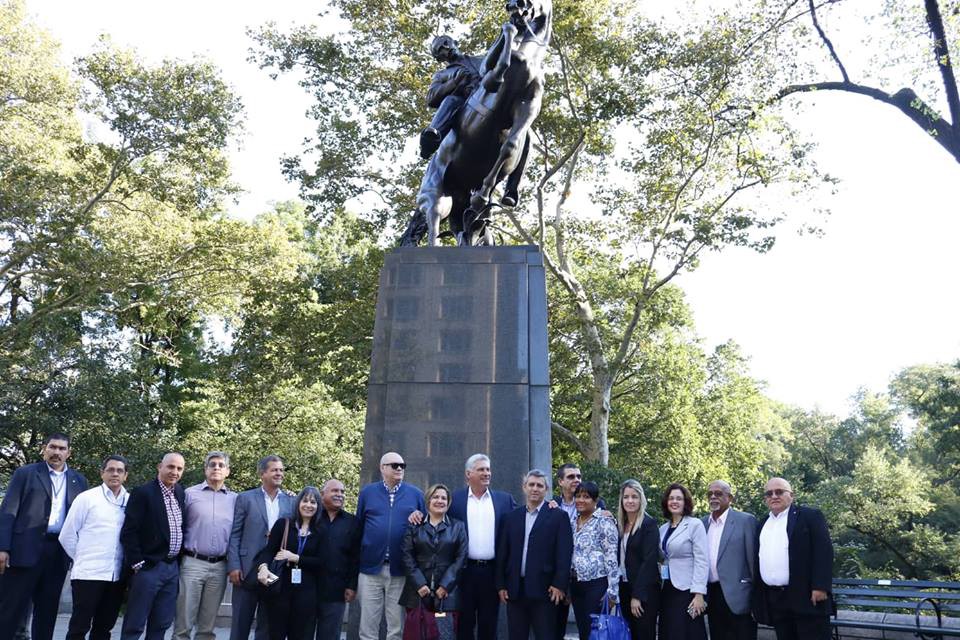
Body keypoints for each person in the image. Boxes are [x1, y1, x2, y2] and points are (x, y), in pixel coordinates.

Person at [418, 35, 527, 206]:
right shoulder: (442, 74)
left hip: (492, 99)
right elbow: (432, 98)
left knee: (525, 130)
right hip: (466, 104)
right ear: (440, 58)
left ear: (455, 42)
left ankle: (512, 189)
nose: (446, 48)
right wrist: (454, 82)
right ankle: (432, 137)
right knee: (450, 101)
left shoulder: (481, 59)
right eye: (441, 49)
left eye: (447, 43)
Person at [0, 433, 88, 640]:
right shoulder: (26, 473)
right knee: (10, 608)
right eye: (53, 447)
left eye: (62, 448)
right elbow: (8, 511)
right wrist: (3, 548)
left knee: (47, 610)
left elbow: (81, 521)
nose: (57, 452)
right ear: (44, 449)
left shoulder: (79, 481)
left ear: (69, 452)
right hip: (24, 550)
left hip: (58, 552)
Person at [58, 455, 130, 640]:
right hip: (88, 575)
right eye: (110, 470)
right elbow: (67, 535)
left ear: (125, 476)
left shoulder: (130, 501)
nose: (115, 474)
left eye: (119, 470)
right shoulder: (87, 498)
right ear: (102, 473)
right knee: (78, 628)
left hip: (115, 576)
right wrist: (81, 558)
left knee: (103, 629)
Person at [752, 477, 833, 640]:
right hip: (776, 599)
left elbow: (824, 551)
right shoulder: (762, 523)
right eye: (769, 493)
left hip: (807, 597)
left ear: (791, 495)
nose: (774, 496)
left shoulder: (810, 516)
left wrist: (820, 586)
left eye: (779, 492)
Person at [446, 454, 517, 640]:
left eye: (488, 469)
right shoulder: (454, 500)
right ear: (468, 474)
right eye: (481, 469)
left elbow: (524, 518)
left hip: (492, 573)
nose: (486, 473)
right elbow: (435, 517)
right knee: (464, 625)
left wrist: (549, 505)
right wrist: (415, 514)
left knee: (489, 625)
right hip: (463, 572)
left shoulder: (504, 500)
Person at [496, 469, 573, 640]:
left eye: (540, 485)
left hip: (546, 591)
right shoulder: (511, 517)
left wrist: (560, 584)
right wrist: (501, 584)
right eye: (531, 484)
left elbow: (564, 553)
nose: (535, 489)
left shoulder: (559, 517)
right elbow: (503, 553)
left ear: (546, 490)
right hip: (515, 590)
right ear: (524, 487)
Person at [356, 452, 425, 640]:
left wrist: (420, 518)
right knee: (367, 627)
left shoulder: (416, 495)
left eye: (403, 465)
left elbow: (425, 530)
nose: (400, 469)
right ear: (382, 468)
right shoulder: (367, 493)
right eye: (395, 465)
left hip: (400, 570)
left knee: (396, 628)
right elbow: (359, 527)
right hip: (370, 569)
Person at [119, 452, 187, 640]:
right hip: (149, 568)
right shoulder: (143, 493)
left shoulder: (180, 492)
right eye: (170, 467)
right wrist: (137, 564)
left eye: (179, 468)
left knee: (161, 623)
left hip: (171, 568)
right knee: (135, 624)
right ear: (160, 467)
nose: (174, 471)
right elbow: (129, 532)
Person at [228, 455, 295, 640]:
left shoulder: (291, 500)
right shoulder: (245, 498)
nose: (279, 473)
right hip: (246, 568)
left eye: (281, 470)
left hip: (274, 571)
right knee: (240, 625)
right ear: (262, 473)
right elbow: (235, 534)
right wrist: (233, 565)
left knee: (266, 627)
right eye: (274, 470)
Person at [174, 452, 237, 640]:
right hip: (193, 563)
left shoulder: (235, 499)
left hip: (219, 566)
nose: (216, 468)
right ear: (205, 469)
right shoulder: (188, 494)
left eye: (221, 465)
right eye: (212, 464)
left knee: (207, 627)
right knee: (183, 623)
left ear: (227, 471)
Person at [256, 486, 325, 640]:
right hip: (280, 589)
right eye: (305, 501)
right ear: (298, 503)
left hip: (306, 593)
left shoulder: (321, 530)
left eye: (313, 502)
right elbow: (269, 551)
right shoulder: (284, 524)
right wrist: (263, 567)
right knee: (276, 633)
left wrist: (297, 558)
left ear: (318, 506)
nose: (308, 505)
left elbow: (322, 562)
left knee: (301, 635)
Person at [399, 484, 467, 615]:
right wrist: (419, 584)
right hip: (416, 592)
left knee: (444, 634)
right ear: (428, 500)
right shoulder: (414, 526)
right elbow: (407, 556)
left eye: (444, 498)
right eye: (435, 497)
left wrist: (445, 585)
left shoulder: (458, 527)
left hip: (447, 594)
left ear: (448, 502)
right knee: (417, 634)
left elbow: (461, 558)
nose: (440, 501)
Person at [701, 481, 757, 640]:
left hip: (739, 596)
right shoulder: (702, 523)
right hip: (711, 595)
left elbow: (753, 561)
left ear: (730, 498)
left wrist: (756, 597)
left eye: (718, 493)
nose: (713, 497)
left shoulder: (746, 521)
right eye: (709, 494)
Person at [569, 482, 619, 640]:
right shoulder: (573, 522)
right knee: (584, 631)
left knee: (596, 632)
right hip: (576, 584)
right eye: (578, 496)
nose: (581, 500)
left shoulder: (604, 522)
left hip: (596, 585)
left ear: (595, 500)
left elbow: (611, 557)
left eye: (586, 497)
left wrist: (612, 592)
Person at [658, 483, 708, 640]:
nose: (674, 501)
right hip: (667, 588)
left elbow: (702, 559)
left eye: (679, 498)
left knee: (687, 633)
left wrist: (699, 593)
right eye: (671, 498)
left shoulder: (694, 525)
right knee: (670, 631)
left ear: (685, 502)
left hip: (687, 590)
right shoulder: (663, 528)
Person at [314, 479, 359, 640]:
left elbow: (355, 557)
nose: (339, 495)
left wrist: (352, 586)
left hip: (336, 590)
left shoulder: (353, 522)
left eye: (342, 492)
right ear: (322, 494)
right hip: (308, 588)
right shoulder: (311, 517)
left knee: (330, 635)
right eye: (335, 491)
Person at [617, 480, 659, 640]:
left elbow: (649, 561)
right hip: (625, 587)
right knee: (630, 635)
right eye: (626, 497)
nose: (630, 501)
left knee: (644, 634)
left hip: (644, 591)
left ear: (641, 499)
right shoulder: (621, 524)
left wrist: (637, 596)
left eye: (634, 497)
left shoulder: (649, 524)